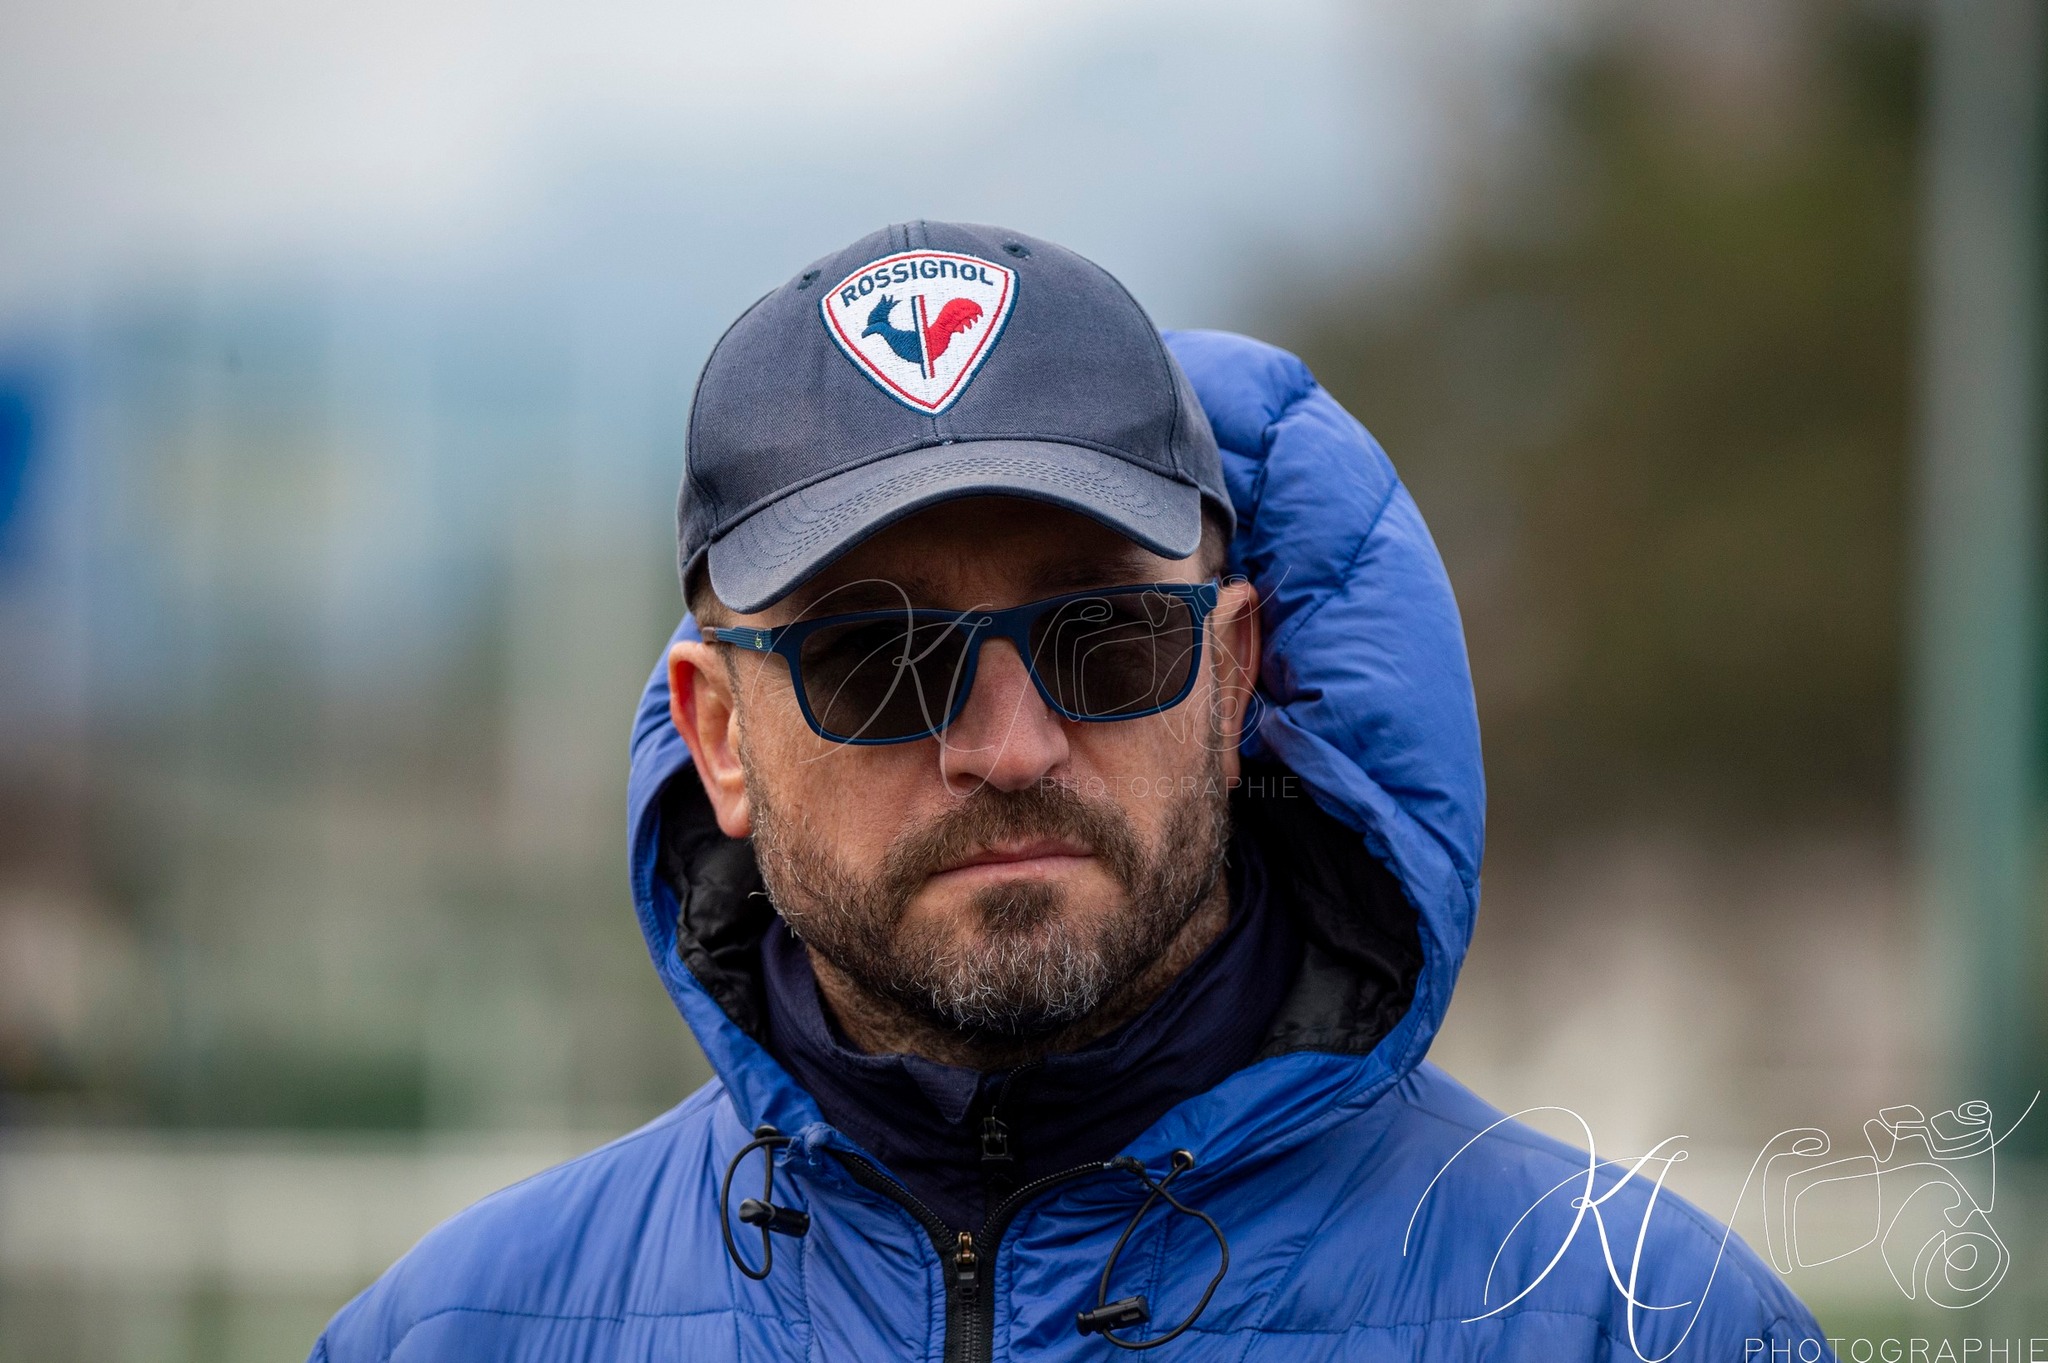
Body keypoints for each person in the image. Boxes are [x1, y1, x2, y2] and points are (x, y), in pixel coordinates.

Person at [309, 222, 1830, 1362]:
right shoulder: (457, 1337)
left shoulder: (1640, 1328)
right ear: (718, 737)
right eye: (872, 661)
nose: (1010, 744)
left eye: (1104, 638)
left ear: (1235, 677)